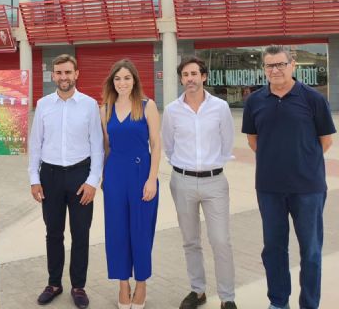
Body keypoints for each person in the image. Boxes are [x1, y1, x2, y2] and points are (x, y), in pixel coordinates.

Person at [242, 45, 335, 309]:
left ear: (292, 65)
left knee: (312, 251)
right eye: (270, 65)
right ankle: (278, 302)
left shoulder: (313, 99)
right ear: (264, 69)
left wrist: (300, 162)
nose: (276, 70)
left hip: (308, 189)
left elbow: (325, 141)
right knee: (273, 249)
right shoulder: (255, 101)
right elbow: (253, 141)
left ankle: (309, 304)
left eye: (281, 64)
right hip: (269, 188)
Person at [161, 56, 237, 309]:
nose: (190, 79)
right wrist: (184, 168)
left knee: (220, 240)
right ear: (181, 79)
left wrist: (210, 166)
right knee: (190, 240)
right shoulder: (172, 110)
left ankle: (227, 297)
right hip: (182, 181)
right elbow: (169, 147)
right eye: (185, 74)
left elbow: (227, 143)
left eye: (194, 73)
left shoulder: (220, 107)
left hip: (215, 182)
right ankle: (198, 290)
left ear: (204, 76)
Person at [28, 54, 104, 309]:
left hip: (80, 176)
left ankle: (78, 286)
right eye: (59, 73)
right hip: (49, 176)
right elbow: (35, 144)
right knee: (53, 233)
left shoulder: (90, 105)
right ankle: (54, 283)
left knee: (80, 233)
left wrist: (93, 181)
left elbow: (97, 146)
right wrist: (34, 179)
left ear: (76, 74)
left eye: (68, 72)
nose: (64, 77)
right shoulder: (43, 105)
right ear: (53, 75)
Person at [101, 59, 161, 309]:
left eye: (126, 78)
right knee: (116, 231)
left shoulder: (147, 106)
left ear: (134, 80)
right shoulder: (105, 108)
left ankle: (142, 283)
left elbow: (156, 145)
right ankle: (123, 284)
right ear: (112, 82)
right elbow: (106, 145)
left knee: (141, 231)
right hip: (114, 173)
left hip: (141, 174)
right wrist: (104, 177)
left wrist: (152, 179)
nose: (122, 83)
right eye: (117, 78)